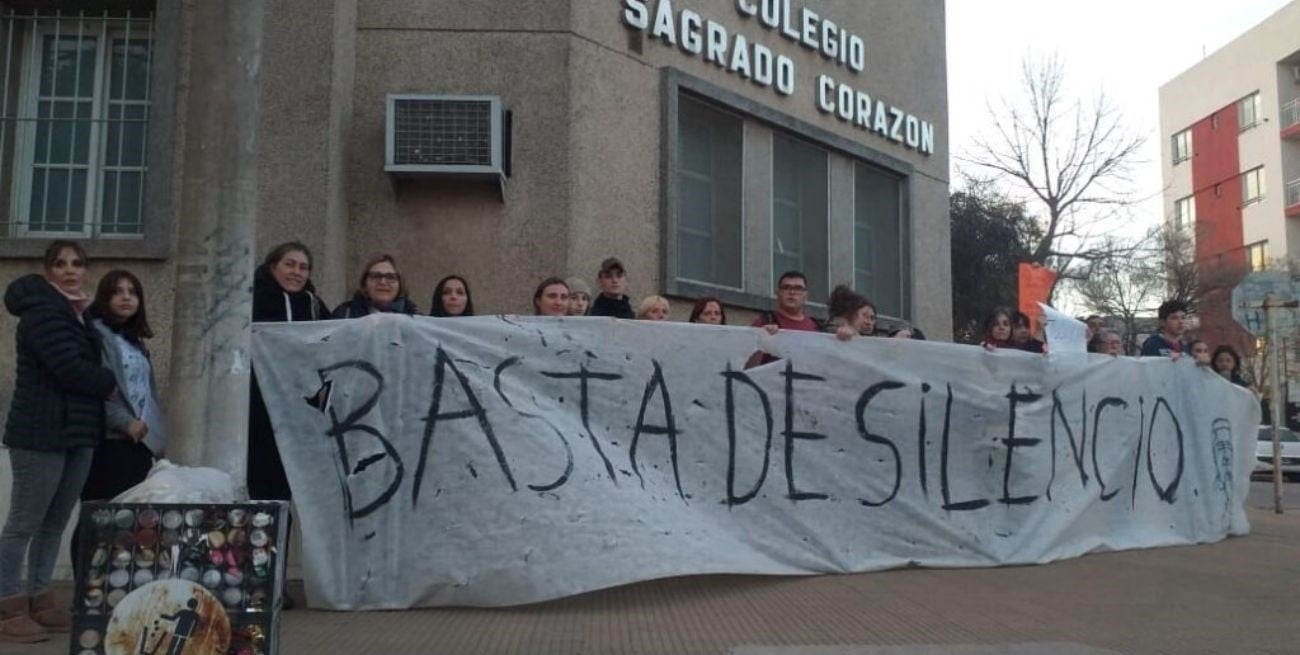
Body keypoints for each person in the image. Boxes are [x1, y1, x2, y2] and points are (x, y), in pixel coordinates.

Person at [1, 241, 117, 643]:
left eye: (78, 264)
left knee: (53, 525)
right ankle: (7, 604)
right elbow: (70, 368)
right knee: (23, 524)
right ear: (48, 271)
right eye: (61, 264)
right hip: (41, 433)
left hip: (76, 430)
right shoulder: (43, 312)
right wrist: (108, 383)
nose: (70, 271)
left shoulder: (75, 313)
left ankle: (40, 598)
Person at [249, 242, 329, 502]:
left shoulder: (314, 306)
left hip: (300, 412)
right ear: (273, 266)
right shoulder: (251, 299)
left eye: (304, 267)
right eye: (290, 264)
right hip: (256, 407)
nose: (297, 272)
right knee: (257, 485)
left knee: (291, 489)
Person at [81, 270, 164, 501]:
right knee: (102, 516)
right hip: (108, 440)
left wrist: (157, 438)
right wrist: (124, 422)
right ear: (104, 298)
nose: (126, 297)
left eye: (132, 292)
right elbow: (96, 387)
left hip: (138, 440)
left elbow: (147, 393)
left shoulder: (135, 342)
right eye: (117, 292)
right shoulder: (96, 335)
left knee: (128, 521)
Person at [747, 271, 824, 367]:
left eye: (798, 288)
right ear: (778, 293)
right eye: (786, 288)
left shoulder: (818, 327)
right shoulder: (765, 322)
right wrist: (761, 343)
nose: (792, 293)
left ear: (806, 295)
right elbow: (746, 367)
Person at [332, 254, 417, 318]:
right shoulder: (344, 314)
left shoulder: (416, 320)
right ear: (365, 283)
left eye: (390, 277)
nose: (383, 282)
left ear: (400, 284)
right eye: (376, 276)